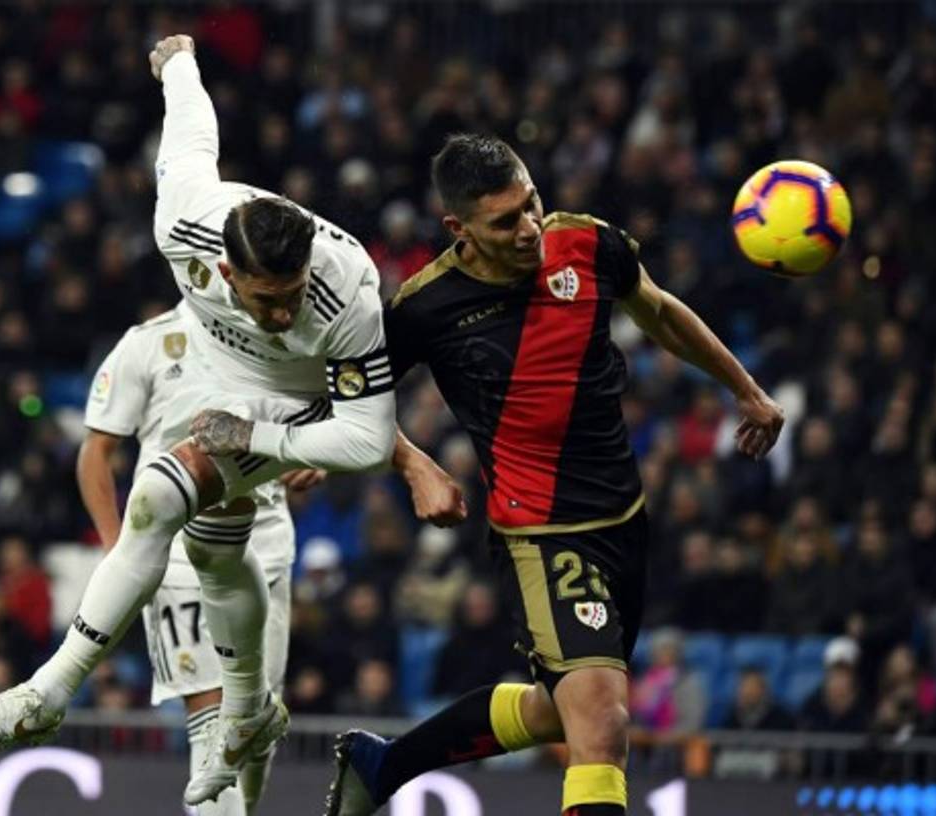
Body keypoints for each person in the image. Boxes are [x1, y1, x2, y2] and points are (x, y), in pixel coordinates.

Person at [0, 35, 457, 808]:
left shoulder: (348, 289)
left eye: (293, 294)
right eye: (267, 299)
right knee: (213, 550)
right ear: (226, 272)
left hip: (286, 409)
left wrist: (262, 438)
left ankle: (49, 691)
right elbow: (192, 135)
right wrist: (179, 62)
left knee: (159, 495)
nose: (284, 312)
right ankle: (247, 709)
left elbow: (362, 436)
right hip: (223, 393)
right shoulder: (185, 223)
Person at [326, 134, 783, 816]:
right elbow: (349, 398)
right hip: (541, 533)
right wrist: (416, 465)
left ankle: (384, 764)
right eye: (504, 222)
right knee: (602, 722)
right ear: (458, 229)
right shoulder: (426, 306)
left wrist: (745, 389)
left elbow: (657, 309)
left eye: (531, 204)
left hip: (624, 520)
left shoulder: (588, 243)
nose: (529, 228)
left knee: (557, 708)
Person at [75, 304, 322, 815]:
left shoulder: (280, 338)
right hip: (177, 552)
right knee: (213, 712)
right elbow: (96, 450)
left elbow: (324, 425)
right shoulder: (148, 343)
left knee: (257, 722)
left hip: (267, 543)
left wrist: (315, 458)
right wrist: (122, 551)